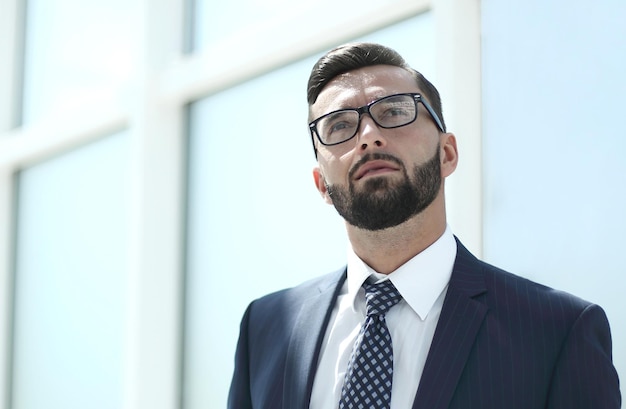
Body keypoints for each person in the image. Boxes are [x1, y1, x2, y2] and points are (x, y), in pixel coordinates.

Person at [227, 42, 621, 409]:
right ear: (322, 186)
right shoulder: (265, 327)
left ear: (447, 153)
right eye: (339, 126)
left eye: (395, 111)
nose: (368, 136)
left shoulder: (557, 332)